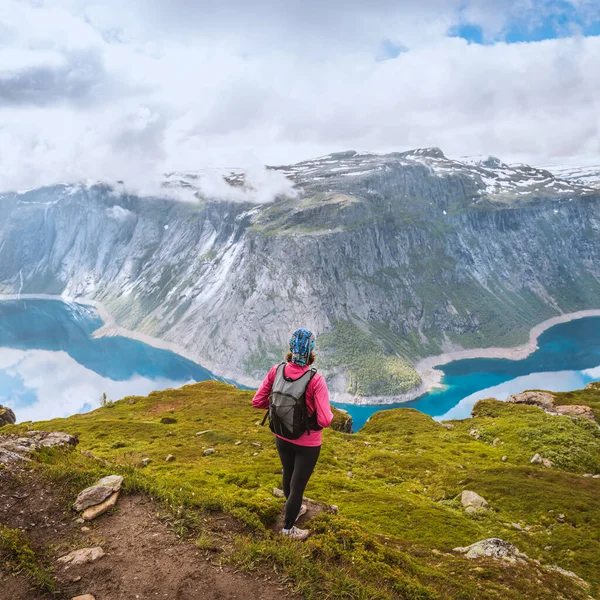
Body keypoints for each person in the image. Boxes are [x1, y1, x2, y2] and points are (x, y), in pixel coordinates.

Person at [252, 328, 333, 540]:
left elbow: (257, 402)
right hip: (308, 443)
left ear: (291, 348)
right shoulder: (316, 379)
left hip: (281, 436)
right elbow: (325, 420)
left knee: (288, 474)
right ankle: (288, 530)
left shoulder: (276, 370)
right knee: (298, 486)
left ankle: (294, 511)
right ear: (311, 352)